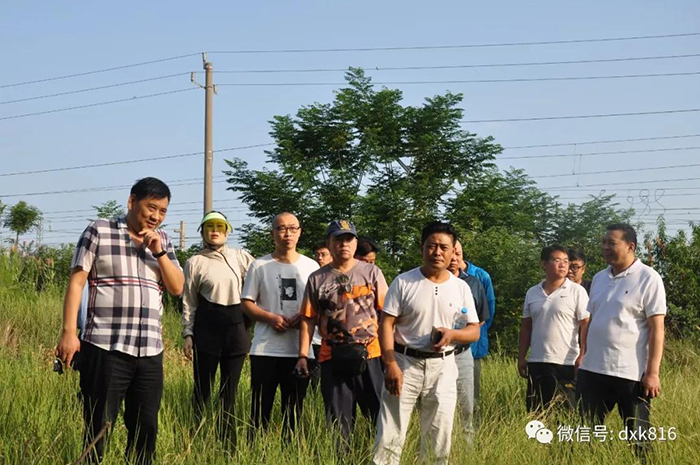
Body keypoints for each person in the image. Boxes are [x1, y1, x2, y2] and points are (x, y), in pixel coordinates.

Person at [55, 178, 184, 464]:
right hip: (106, 347)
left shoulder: (163, 240)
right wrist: (69, 332)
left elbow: (177, 288)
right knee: (99, 426)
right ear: (131, 201)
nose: (156, 216)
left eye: (163, 211)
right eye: (151, 207)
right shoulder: (99, 230)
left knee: (146, 429)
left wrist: (159, 252)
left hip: (150, 350)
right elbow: (76, 283)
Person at [372, 222, 480, 465]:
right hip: (404, 363)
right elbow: (386, 324)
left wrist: (452, 335)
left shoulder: (461, 287)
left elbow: (474, 330)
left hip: (444, 366)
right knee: (390, 432)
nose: (437, 252)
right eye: (432, 246)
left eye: (444, 247)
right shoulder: (403, 282)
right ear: (422, 248)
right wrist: (390, 363)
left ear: (453, 251)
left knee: (439, 435)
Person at [295, 220, 388, 447]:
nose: (344, 244)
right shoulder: (317, 278)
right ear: (329, 243)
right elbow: (308, 319)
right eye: (338, 239)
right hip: (332, 356)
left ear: (355, 243)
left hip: (370, 354)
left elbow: (387, 315)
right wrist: (303, 355)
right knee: (338, 422)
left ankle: (379, 458)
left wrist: (391, 355)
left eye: (348, 239)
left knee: (379, 417)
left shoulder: (372, 272)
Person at [577, 224, 666, 454]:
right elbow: (592, 320)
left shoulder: (648, 278)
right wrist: (583, 354)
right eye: (604, 242)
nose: (605, 247)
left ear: (630, 246)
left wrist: (652, 373)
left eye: (611, 243)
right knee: (585, 433)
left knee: (638, 438)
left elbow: (657, 329)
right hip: (592, 370)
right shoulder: (599, 278)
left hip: (630, 374)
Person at [181, 211, 255, 449]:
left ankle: (227, 443)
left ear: (227, 231)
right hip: (206, 330)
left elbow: (259, 284)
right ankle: (196, 439)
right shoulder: (194, 262)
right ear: (202, 232)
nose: (215, 231)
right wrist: (188, 334)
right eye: (209, 227)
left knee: (229, 392)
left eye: (220, 227)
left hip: (236, 329)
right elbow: (189, 301)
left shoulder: (241, 257)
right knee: (202, 389)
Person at [241, 212, 319, 437]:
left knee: (294, 413)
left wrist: (304, 317)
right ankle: (256, 451)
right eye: (282, 229)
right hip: (265, 349)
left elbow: (319, 305)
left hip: (300, 350)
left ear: (300, 232)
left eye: (293, 228)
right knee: (259, 411)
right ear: (272, 233)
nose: (288, 234)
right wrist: (270, 318)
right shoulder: (259, 265)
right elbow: (246, 302)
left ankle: (290, 452)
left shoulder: (311, 266)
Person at [518, 245, 590, 412]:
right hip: (537, 361)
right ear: (544, 264)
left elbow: (586, 324)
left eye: (566, 261)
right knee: (537, 413)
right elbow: (526, 327)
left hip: (566, 362)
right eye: (557, 260)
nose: (563, 265)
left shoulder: (577, 291)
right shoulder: (532, 292)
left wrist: (583, 355)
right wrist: (522, 357)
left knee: (565, 413)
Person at [448, 240, 489, 443]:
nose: (454, 258)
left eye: (458, 253)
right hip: (435, 354)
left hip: (464, 352)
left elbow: (482, 316)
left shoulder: (473, 282)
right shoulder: (427, 282)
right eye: (451, 252)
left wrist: (461, 335)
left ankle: (467, 450)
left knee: (468, 404)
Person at [459, 247, 495, 425]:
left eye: (457, 253)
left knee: (472, 394)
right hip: (444, 347)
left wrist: (475, 331)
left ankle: (473, 430)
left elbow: (488, 310)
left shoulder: (480, 276)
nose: (454, 257)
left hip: (473, 346)